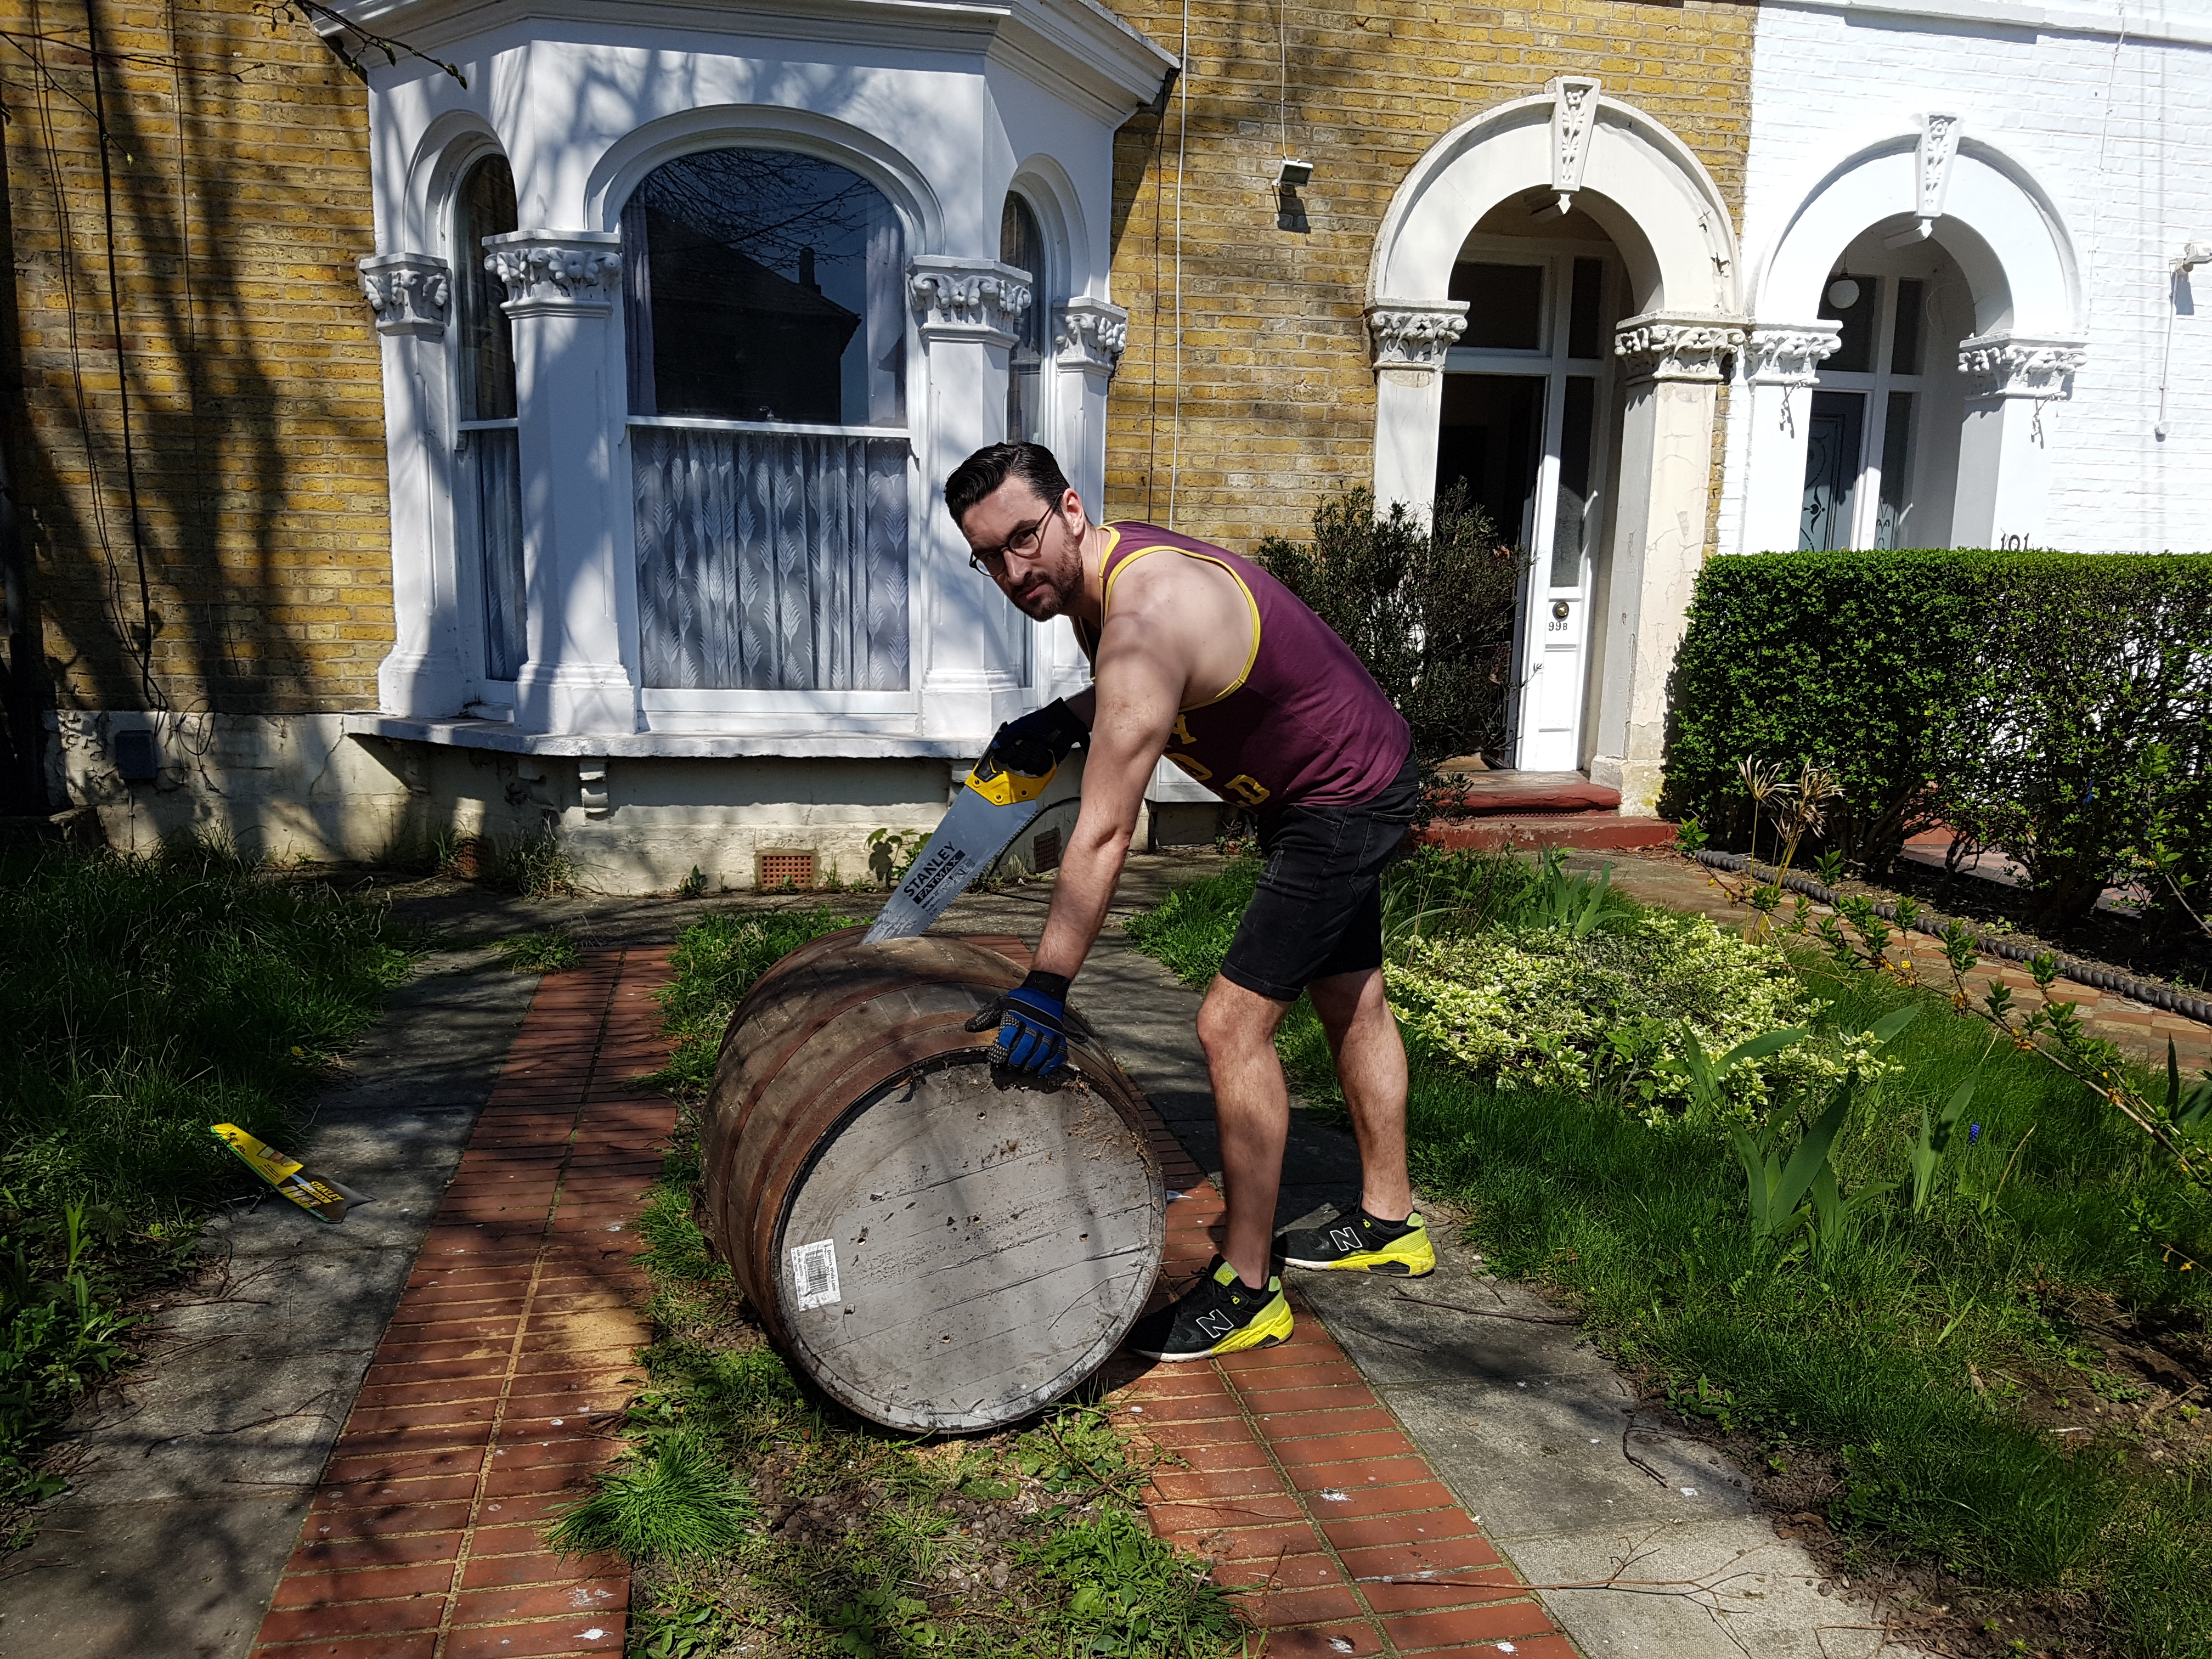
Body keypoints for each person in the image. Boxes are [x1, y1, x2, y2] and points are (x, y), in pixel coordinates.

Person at [943, 441, 1434, 1363]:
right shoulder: (1110, 590)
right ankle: (1389, 1223)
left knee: (1227, 1027)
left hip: (1343, 796)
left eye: (1023, 539)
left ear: (1073, 511)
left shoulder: (1143, 611)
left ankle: (1248, 1288)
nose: (1012, 572)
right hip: (1329, 782)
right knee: (1349, 993)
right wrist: (1066, 718)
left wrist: (1047, 984)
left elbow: (1103, 831)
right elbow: (1150, 687)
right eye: (989, 557)